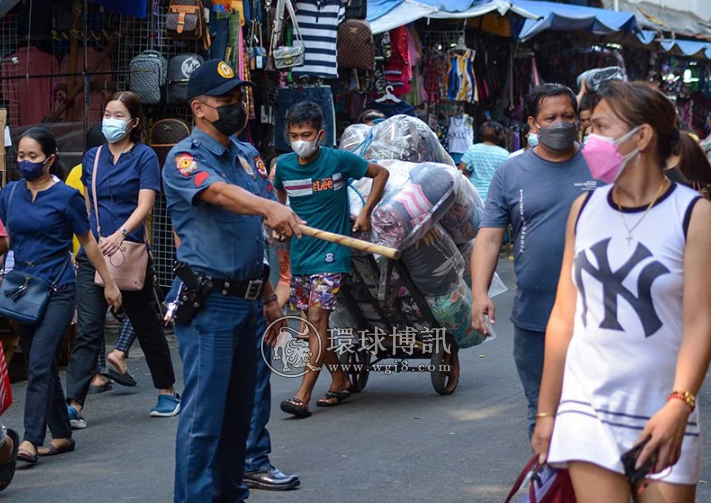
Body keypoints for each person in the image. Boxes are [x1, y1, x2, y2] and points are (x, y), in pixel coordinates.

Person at [532, 81, 711, 503]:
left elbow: (700, 321)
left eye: (601, 128)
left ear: (642, 136)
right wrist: (546, 412)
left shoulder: (693, 214)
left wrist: (680, 403)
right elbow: (563, 316)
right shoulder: (584, 209)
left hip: (663, 410)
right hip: (586, 408)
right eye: (588, 127)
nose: (588, 140)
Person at [163, 59, 302, 503]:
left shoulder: (248, 155)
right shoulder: (183, 157)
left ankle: (229, 496)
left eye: (238, 99)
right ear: (200, 108)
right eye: (226, 100)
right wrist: (268, 208)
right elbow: (220, 194)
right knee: (205, 418)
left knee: (240, 415)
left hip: (249, 301)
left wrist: (269, 294)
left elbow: (256, 231)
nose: (237, 106)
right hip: (210, 305)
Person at [470, 84, 598, 440]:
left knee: (594, 411)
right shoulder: (511, 173)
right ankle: (552, 486)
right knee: (542, 410)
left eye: (568, 116)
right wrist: (480, 293)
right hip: (535, 318)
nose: (561, 124)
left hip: (598, 315)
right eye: (551, 118)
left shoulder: (602, 165)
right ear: (533, 123)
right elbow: (490, 237)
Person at [1, 127, 121, 464]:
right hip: (21, 291)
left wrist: (109, 283)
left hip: (58, 288)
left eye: (33, 156)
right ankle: (62, 433)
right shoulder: (9, 194)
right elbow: (7, 241)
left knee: (39, 362)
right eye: (21, 156)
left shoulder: (67, 197)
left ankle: (30, 440)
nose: (25, 162)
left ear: (50, 159)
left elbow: (88, 242)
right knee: (44, 368)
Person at [65, 91, 179, 429]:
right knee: (88, 329)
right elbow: (88, 204)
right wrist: (89, 240)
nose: (110, 121)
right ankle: (74, 403)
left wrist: (121, 233)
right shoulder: (92, 157)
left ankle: (167, 390)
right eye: (107, 113)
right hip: (94, 254)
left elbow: (146, 204)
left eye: (117, 115)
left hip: (129, 253)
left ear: (133, 123)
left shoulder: (144, 157)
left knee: (146, 324)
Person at [274, 101, 389, 418]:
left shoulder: (338, 160)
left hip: (331, 253)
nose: (300, 140)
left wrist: (365, 212)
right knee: (313, 326)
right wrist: (280, 229)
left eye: (306, 134)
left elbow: (381, 173)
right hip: (300, 256)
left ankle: (302, 394)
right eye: (295, 134)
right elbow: (278, 206)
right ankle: (339, 378)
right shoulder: (283, 167)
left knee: (317, 318)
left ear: (320, 134)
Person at [65, 124, 138, 395]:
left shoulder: (75, 172)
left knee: (91, 319)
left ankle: (95, 375)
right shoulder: (110, 169)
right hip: (115, 249)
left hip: (82, 251)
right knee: (132, 308)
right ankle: (117, 354)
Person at [458, 121, 509, 201]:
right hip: (494, 196)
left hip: (473, 195)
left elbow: (461, 168)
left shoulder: (473, 149)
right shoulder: (504, 154)